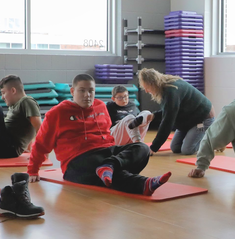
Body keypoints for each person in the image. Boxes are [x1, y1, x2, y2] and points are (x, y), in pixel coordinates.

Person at [27, 74, 171, 196]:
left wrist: (114, 155)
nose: (87, 95)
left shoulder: (101, 106)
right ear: (72, 91)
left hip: (106, 153)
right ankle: (142, 184)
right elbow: (41, 143)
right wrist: (33, 170)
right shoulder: (57, 113)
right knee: (97, 167)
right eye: (82, 91)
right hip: (77, 162)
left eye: (91, 91)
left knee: (142, 148)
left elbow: (108, 133)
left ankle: (110, 166)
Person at [138, 69, 214, 156]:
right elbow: (170, 110)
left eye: (147, 88)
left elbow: (167, 122)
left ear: (153, 83)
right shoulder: (165, 85)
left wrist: (153, 148)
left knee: (187, 150)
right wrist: (154, 115)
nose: (146, 91)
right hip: (188, 120)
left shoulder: (171, 91)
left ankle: (214, 142)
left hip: (202, 118)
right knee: (176, 148)